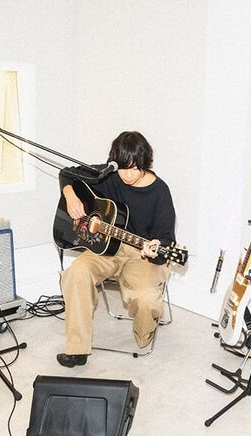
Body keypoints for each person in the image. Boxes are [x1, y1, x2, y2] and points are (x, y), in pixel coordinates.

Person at [57, 131, 177, 367]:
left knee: (145, 299)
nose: (128, 174)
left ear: (145, 162)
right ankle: (77, 349)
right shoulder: (109, 175)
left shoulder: (160, 192)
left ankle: (144, 334)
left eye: (135, 168)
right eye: (123, 168)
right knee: (76, 272)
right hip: (106, 248)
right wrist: (70, 196)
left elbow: (166, 239)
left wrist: (156, 248)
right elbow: (67, 173)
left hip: (141, 255)